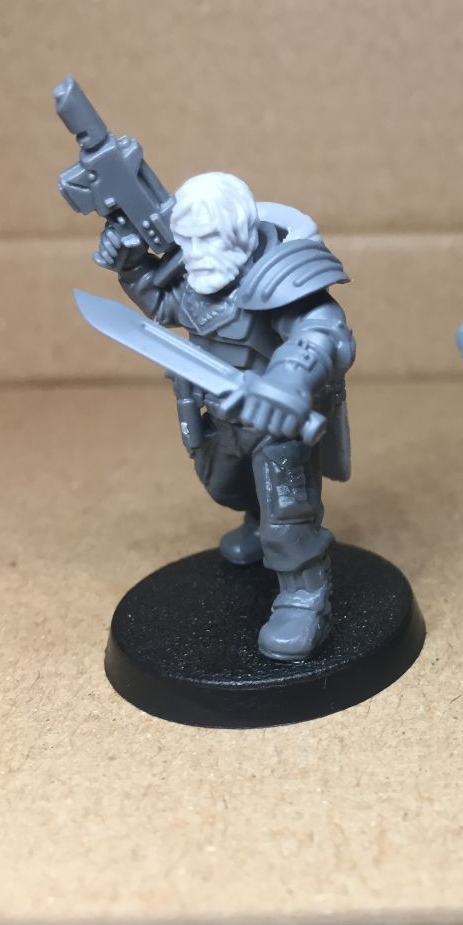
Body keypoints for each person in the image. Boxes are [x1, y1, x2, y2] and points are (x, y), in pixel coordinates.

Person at [97, 171, 355, 658]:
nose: (195, 252)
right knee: (225, 485)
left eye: (207, 238)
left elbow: (324, 331)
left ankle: (304, 598)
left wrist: (288, 378)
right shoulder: (197, 276)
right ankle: (255, 521)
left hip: (275, 422)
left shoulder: (279, 275)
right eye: (188, 240)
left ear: (238, 232)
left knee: (288, 515)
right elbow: (162, 304)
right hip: (220, 413)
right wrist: (131, 267)